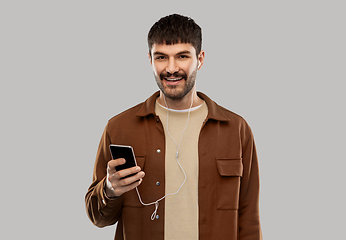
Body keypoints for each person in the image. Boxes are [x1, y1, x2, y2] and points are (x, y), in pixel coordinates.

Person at [85, 14, 262, 240]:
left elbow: (249, 219)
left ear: (200, 59)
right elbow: (98, 218)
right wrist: (109, 189)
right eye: (161, 57)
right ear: (150, 60)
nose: (171, 68)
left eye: (182, 56)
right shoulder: (119, 127)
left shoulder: (236, 129)